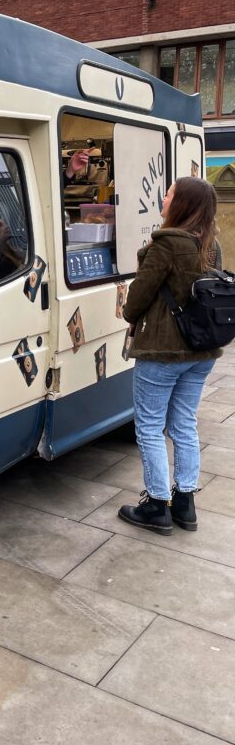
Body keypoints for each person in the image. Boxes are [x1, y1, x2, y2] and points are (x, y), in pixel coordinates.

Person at [120, 176, 222, 535]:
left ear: (181, 205)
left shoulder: (166, 244)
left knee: (149, 426)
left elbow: (137, 299)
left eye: (168, 196)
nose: (163, 200)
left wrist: (128, 314)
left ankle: (156, 505)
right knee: (184, 424)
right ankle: (185, 503)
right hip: (201, 350)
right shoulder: (211, 245)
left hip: (162, 350)